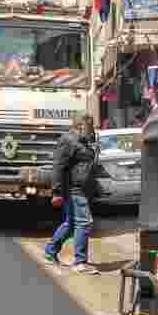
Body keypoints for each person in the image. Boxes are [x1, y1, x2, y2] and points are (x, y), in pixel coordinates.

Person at [45, 114, 100, 274]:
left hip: (81, 189)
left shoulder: (84, 142)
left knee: (70, 225)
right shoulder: (68, 141)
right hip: (74, 189)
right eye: (90, 125)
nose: (93, 129)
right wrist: (56, 192)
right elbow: (58, 167)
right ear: (81, 126)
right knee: (84, 222)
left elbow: (86, 165)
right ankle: (80, 262)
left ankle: (50, 252)